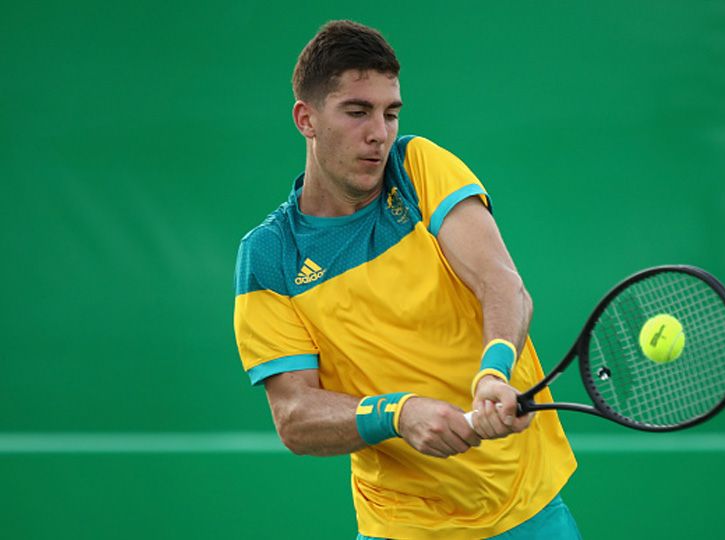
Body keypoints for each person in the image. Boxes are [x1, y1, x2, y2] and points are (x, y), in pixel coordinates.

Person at [233, 20, 579, 539]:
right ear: (306, 118)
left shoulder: (415, 167)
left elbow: (501, 283)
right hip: (402, 525)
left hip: (525, 511)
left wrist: (494, 372)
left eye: (390, 112)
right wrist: (396, 414)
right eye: (357, 111)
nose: (379, 132)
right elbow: (295, 414)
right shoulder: (269, 256)